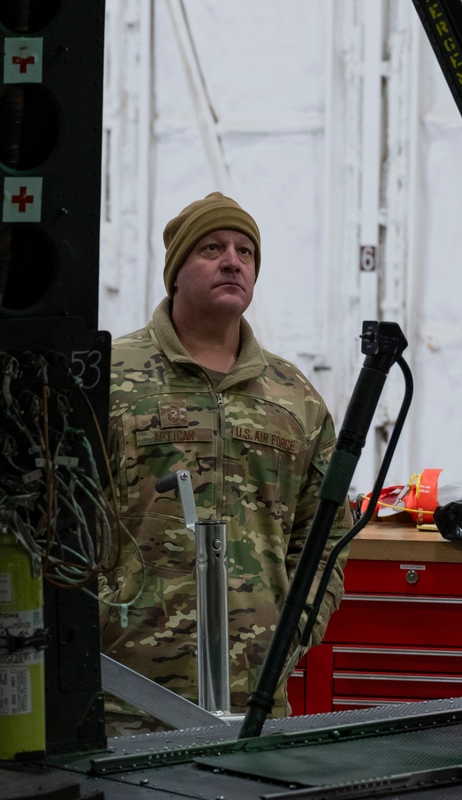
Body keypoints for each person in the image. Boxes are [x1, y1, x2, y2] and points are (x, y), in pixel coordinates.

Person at [99, 191, 352, 733]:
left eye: (246, 251)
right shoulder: (110, 378)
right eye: (211, 248)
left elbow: (326, 531)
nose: (232, 261)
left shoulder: (294, 397)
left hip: (256, 693)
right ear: (175, 272)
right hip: (125, 689)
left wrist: (299, 624)